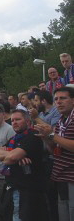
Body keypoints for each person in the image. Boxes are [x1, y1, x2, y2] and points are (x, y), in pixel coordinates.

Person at [0, 110, 48, 221]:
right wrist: (16, 155)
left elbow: (9, 159)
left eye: (18, 119)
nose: (14, 122)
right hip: (13, 188)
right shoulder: (14, 139)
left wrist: (11, 155)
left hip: (27, 191)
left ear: (27, 121)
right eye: (12, 120)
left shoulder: (33, 136)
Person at [36, 86, 74, 221]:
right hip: (60, 175)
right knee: (64, 214)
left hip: (71, 177)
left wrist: (51, 135)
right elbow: (55, 150)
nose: (58, 102)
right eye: (56, 99)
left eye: (63, 98)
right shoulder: (60, 122)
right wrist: (46, 138)